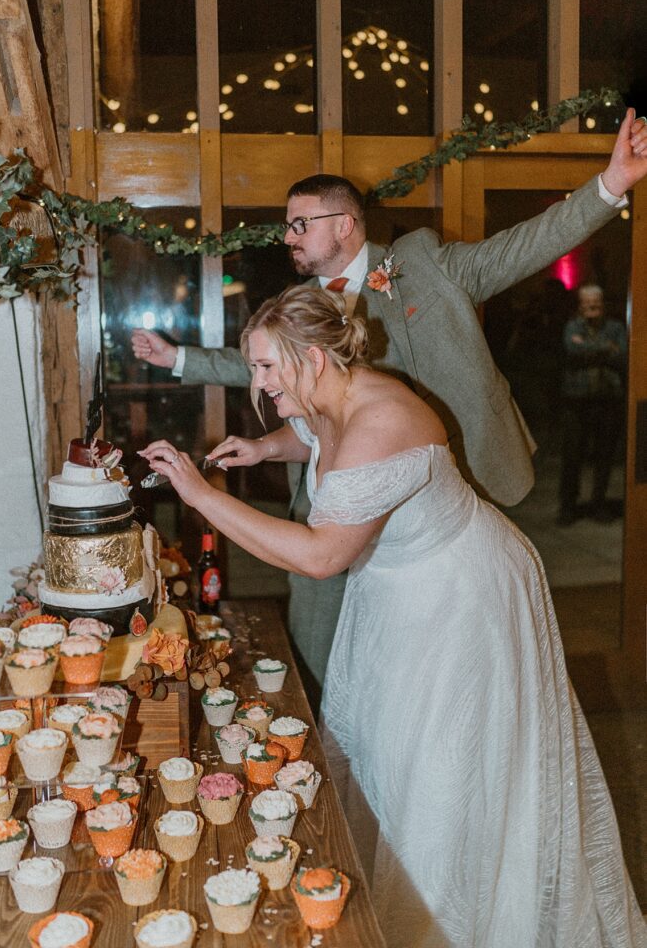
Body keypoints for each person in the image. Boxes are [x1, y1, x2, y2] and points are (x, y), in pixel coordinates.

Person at [139, 286, 646, 948]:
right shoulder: (334, 392)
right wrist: (265, 451)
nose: (259, 384)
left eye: (267, 367)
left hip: (461, 594)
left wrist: (201, 497)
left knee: (442, 764)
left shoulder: (380, 421)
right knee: (387, 747)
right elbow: (314, 436)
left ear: (314, 357)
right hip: (399, 587)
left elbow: (322, 557)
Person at [132, 109, 647, 690]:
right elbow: (258, 365)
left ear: (346, 224)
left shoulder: (426, 264)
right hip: (341, 490)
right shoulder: (299, 302)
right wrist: (176, 358)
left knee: (435, 655)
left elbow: (523, 246)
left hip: (444, 487)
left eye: (301, 223)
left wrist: (611, 187)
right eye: (288, 225)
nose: (288, 236)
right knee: (320, 635)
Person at [557, 284, 627, 525]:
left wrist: (587, 349)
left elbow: (623, 356)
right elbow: (571, 350)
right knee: (572, 456)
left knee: (604, 455)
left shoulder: (616, 328)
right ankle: (568, 507)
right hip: (577, 402)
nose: (592, 306)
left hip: (607, 401)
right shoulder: (572, 327)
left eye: (596, 301)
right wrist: (606, 348)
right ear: (580, 305)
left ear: (603, 303)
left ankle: (599, 504)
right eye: (587, 302)